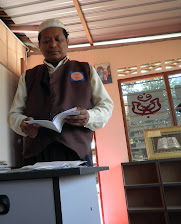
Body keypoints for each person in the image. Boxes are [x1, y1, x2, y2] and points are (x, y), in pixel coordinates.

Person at [7, 18, 114, 166]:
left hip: (77, 153)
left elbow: (106, 106)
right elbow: (14, 114)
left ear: (67, 42)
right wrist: (22, 124)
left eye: (58, 39)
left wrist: (89, 116)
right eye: (46, 41)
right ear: (39, 46)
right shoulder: (28, 76)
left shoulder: (86, 70)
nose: (52, 45)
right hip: (37, 154)